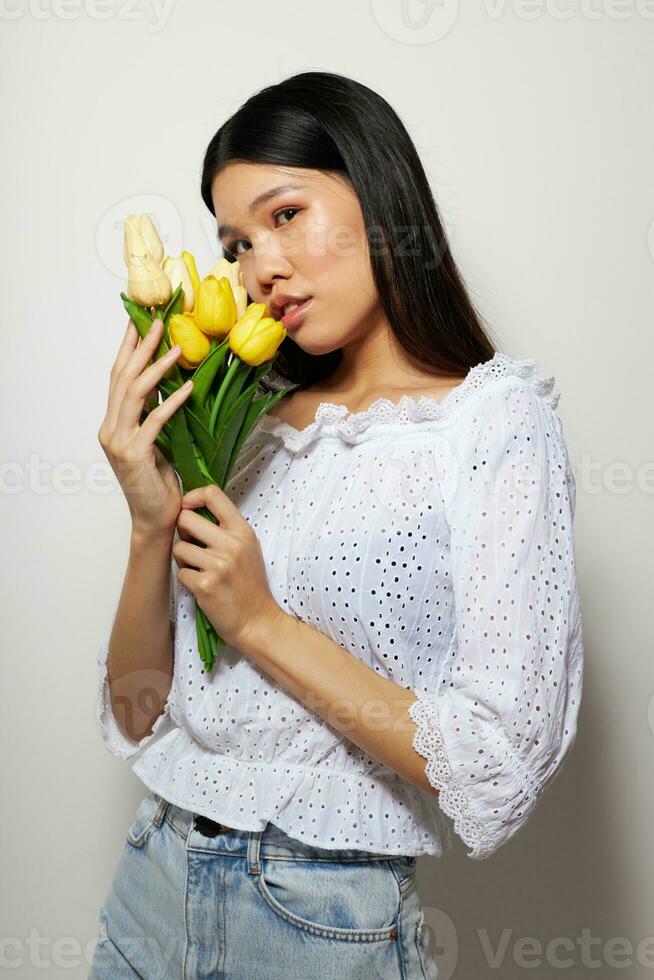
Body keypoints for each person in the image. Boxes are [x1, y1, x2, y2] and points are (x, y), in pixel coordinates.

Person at [89, 71, 584, 980]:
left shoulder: (491, 421)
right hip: (149, 884)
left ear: (380, 193)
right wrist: (148, 525)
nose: (258, 268)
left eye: (285, 216)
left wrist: (261, 622)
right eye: (235, 242)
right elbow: (135, 709)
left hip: (313, 919)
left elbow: (494, 764)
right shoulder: (242, 426)